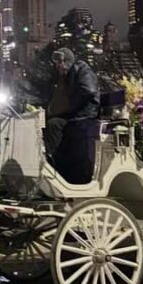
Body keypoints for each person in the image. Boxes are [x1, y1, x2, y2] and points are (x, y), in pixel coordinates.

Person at [43, 47, 100, 184]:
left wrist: (69, 106)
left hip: (85, 114)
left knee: (54, 124)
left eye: (60, 62)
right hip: (74, 115)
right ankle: (55, 161)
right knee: (50, 123)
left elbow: (89, 90)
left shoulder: (81, 68)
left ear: (67, 61)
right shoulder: (64, 77)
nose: (58, 66)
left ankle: (58, 165)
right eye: (57, 63)